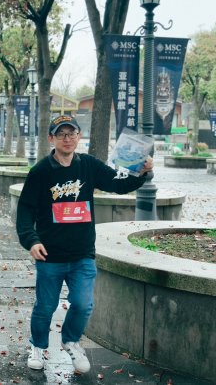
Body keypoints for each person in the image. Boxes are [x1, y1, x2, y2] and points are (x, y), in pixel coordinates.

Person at [16, 115, 154, 373]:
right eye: (61, 134)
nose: (67, 139)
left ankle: (70, 341)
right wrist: (31, 240)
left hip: (82, 255)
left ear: (79, 136)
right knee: (45, 307)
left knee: (83, 304)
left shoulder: (88, 165)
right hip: (49, 255)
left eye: (72, 133)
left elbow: (117, 184)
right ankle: (38, 345)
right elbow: (25, 211)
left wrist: (142, 173)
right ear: (51, 139)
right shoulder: (41, 172)